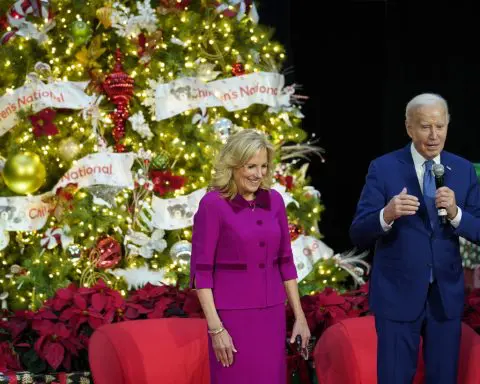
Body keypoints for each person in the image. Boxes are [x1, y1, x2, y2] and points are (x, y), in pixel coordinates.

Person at [350, 93, 480, 384]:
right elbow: (358, 232)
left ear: (448, 125)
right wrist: (387, 214)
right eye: (425, 126)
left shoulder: (462, 170)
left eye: (440, 126)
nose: (434, 135)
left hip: (445, 299)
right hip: (397, 296)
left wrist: (457, 213)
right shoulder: (383, 168)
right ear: (409, 127)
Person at [190, 129, 310, 384]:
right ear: (233, 165)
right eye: (251, 166)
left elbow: (286, 262)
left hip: (272, 316)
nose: (259, 174)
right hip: (232, 319)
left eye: (264, 166)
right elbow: (201, 272)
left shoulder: (274, 201)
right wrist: (216, 329)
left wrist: (299, 317)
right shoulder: (213, 205)